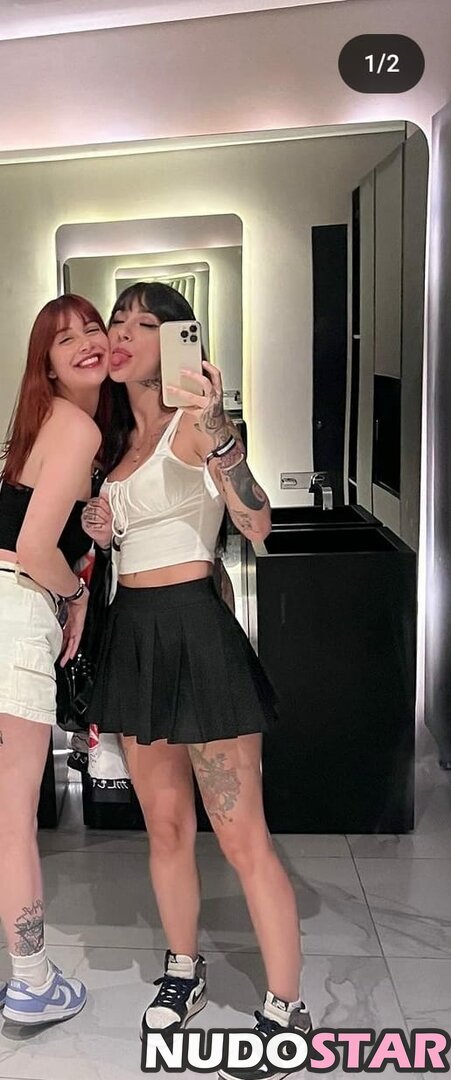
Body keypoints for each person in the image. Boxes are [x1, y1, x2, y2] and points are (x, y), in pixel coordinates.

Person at [82, 282, 311, 1080]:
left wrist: (220, 433)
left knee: (242, 835)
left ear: (179, 341)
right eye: (117, 319)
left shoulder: (195, 425)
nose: (123, 332)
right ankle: (184, 969)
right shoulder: (113, 445)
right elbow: (129, 538)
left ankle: (287, 1006)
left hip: (197, 634)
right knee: (167, 829)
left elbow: (257, 524)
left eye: (145, 323)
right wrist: (103, 528)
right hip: (136, 637)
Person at [0, 294, 110, 1025]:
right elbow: (35, 548)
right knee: (13, 819)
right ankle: (33, 982)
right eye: (65, 339)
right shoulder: (75, 426)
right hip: (15, 615)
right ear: (46, 362)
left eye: (92, 328)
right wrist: (74, 597)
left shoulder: (44, 427)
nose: (87, 343)